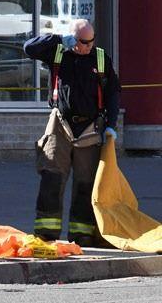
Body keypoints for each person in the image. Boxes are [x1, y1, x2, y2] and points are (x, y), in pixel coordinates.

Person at [24, 19, 120, 247]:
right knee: (51, 176)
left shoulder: (100, 58)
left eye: (90, 41)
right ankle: (46, 233)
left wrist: (111, 125)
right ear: (71, 38)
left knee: (85, 183)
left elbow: (113, 93)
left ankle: (81, 234)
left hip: (90, 127)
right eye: (81, 42)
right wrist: (58, 39)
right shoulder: (58, 52)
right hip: (60, 123)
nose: (85, 46)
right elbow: (29, 48)